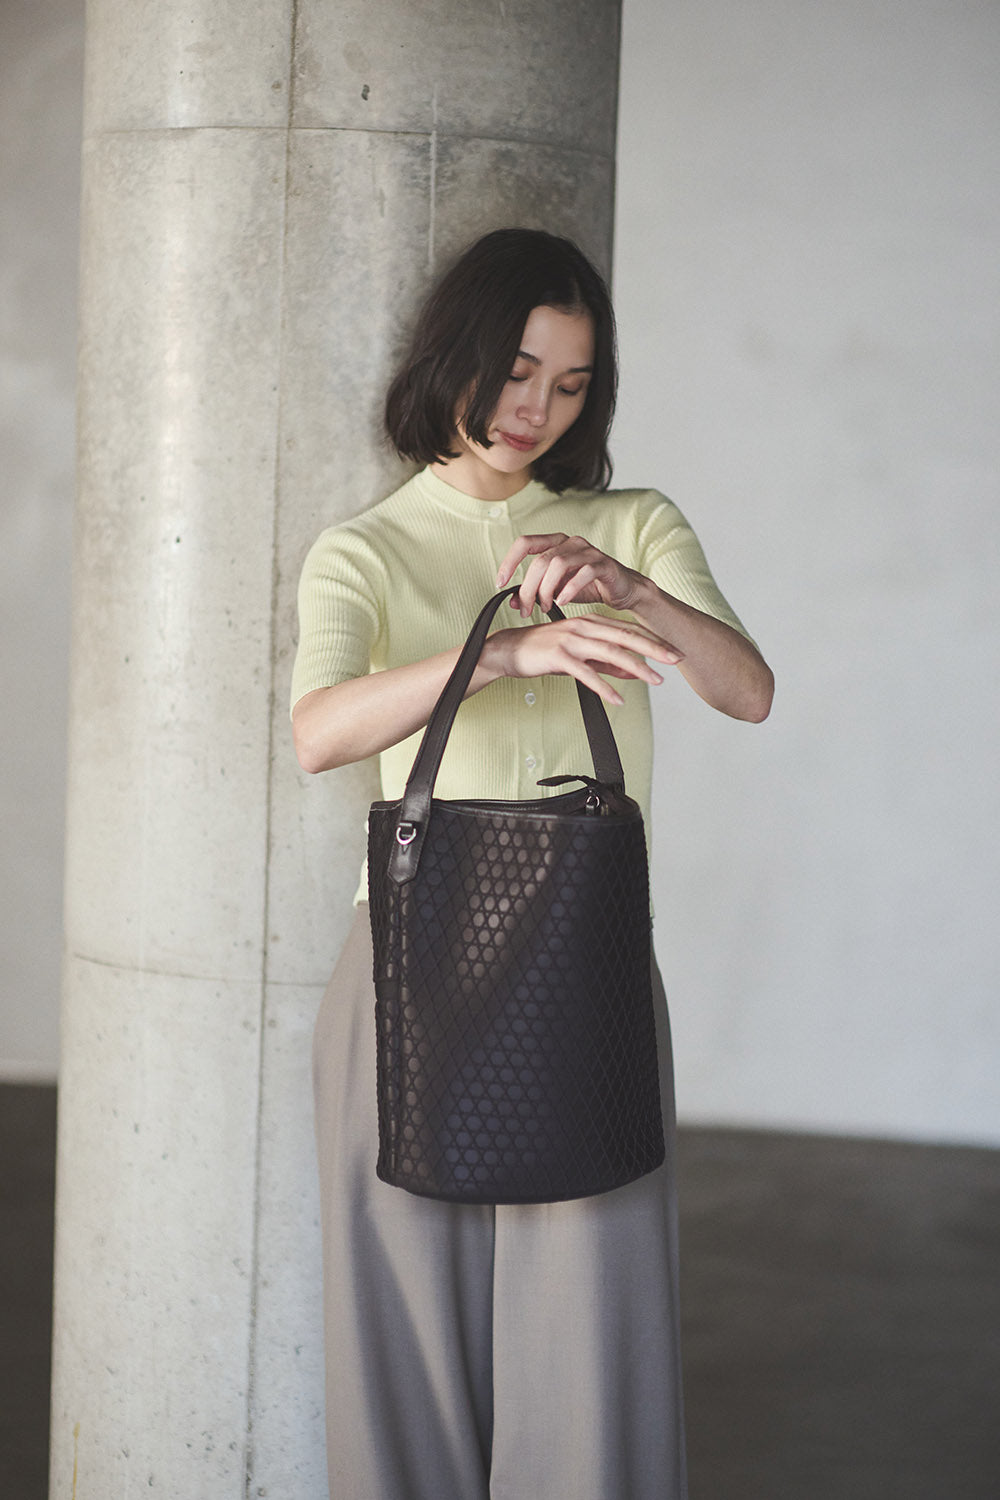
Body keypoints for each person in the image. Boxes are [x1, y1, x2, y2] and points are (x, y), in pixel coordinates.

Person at [290, 227, 773, 1500]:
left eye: (569, 383)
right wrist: (497, 653)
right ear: (451, 352)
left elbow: (746, 691)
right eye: (514, 370)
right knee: (401, 1350)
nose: (535, 408)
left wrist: (625, 589)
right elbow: (318, 732)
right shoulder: (363, 549)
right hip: (406, 973)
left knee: (590, 1347)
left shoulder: (630, 523)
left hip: (583, 962)